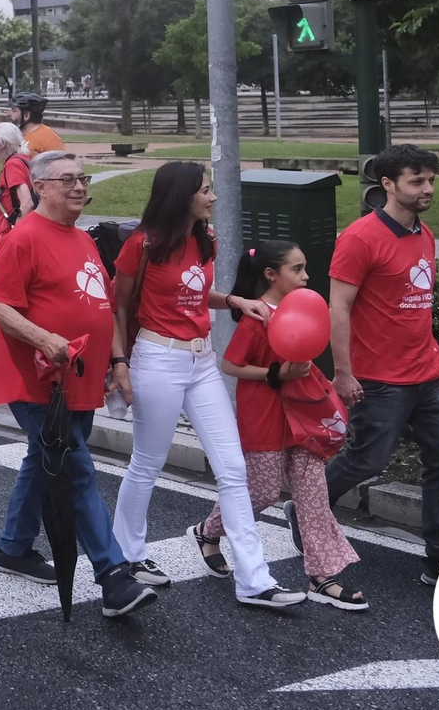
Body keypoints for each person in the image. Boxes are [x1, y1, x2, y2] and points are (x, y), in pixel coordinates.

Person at [108, 163, 303, 608]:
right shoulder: (143, 244)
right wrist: (120, 362)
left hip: (200, 361)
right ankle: (129, 554)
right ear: (181, 197)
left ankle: (255, 581)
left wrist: (234, 300)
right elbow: (117, 308)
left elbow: (195, 297)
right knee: (147, 463)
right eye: (205, 190)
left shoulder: (205, 239)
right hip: (156, 358)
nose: (213, 197)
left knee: (233, 469)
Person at [0, 150, 158, 618]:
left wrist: (118, 361)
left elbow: (102, 306)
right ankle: (113, 576)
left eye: (83, 179)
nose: (79, 187)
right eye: (67, 181)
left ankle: (12, 548)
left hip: (79, 381)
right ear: (39, 187)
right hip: (38, 384)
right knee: (77, 470)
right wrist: (44, 338)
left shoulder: (82, 238)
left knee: (44, 462)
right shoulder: (23, 240)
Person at [323, 144, 439, 598]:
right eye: (417, 181)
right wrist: (344, 372)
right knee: (367, 461)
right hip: (380, 379)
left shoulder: (425, 234)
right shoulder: (360, 238)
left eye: (431, 180)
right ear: (388, 185)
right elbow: (337, 308)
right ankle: (308, 505)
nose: (428, 189)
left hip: (430, 374)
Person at [197, 241, 367, 610]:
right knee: (260, 493)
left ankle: (322, 576)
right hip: (265, 413)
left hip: (303, 410)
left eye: (305, 267)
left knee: (313, 495)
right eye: (297, 269)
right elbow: (230, 365)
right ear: (271, 275)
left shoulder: (305, 308)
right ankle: (206, 532)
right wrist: (276, 373)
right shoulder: (258, 317)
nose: (307, 276)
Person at [0, 122, 33, 247]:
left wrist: (15, 235)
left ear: (3, 143)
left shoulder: (13, 165)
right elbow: (8, 199)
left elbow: (27, 202)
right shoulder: (22, 160)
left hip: (9, 236)